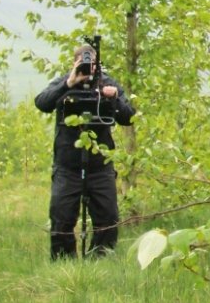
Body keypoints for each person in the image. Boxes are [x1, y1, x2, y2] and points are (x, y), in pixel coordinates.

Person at [34, 44, 135, 259]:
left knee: (107, 217)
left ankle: (100, 262)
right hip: (67, 166)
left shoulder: (107, 83)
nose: (89, 68)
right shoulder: (65, 82)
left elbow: (129, 116)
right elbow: (42, 103)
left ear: (99, 64)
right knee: (61, 216)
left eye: (93, 63)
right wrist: (69, 83)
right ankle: (64, 263)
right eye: (84, 63)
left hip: (100, 166)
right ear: (75, 63)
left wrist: (114, 97)